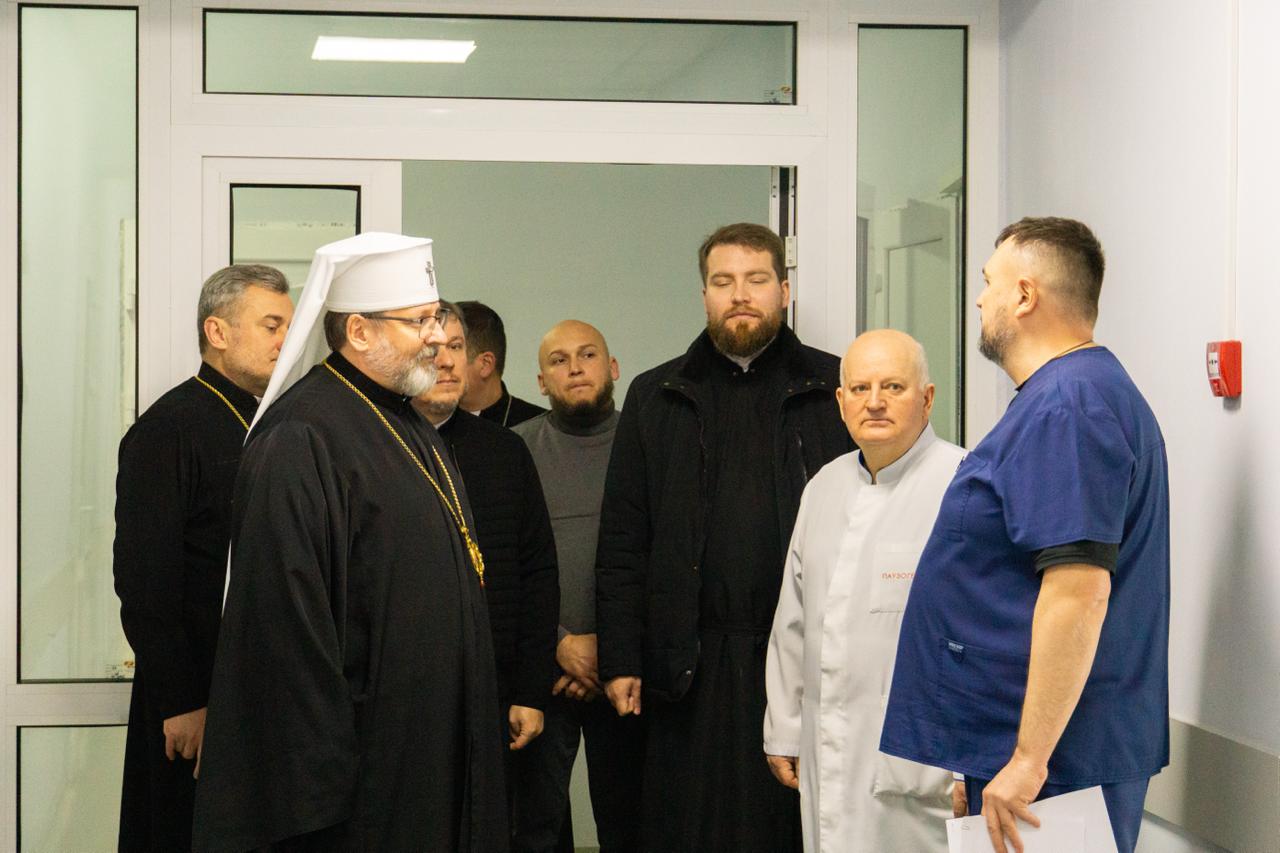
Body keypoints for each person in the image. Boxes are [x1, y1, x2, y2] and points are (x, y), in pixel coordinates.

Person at [191, 233, 507, 853]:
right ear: (359, 331)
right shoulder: (301, 435)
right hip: (365, 767)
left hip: (428, 741)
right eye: (419, 321)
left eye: (436, 319)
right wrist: (324, 780)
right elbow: (285, 629)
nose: (437, 337)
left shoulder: (406, 419)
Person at [880, 217, 1170, 853]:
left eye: (989, 282)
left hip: (1058, 766)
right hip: (1033, 752)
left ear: (1025, 295)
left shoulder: (1070, 405)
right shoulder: (1066, 396)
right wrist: (984, 757)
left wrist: (1027, 761)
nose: (980, 299)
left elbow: (1078, 591)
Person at [595, 223, 852, 853]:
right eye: (723, 281)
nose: (740, 295)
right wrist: (621, 657)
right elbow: (624, 539)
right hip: (688, 666)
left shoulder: (836, 389)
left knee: (792, 828)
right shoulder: (655, 395)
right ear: (704, 294)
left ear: (784, 290)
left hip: (801, 660)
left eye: (756, 280)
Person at [763, 329, 965, 853]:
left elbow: (985, 635)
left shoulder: (964, 483)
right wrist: (784, 728)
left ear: (927, 398)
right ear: (840, 400)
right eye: (859, 389)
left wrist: (973, 761)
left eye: (893, 387)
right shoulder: (823, 488)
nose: (874, 402)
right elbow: (793, 622)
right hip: (827, 754)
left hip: (924, 768)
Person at [113, 264, 292, 852]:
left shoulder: (271, 423)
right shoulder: (169, 429)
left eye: (289, 328)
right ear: (218, 332)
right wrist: (182, 700)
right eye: (271, 325)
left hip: (250, 689)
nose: (284, 341)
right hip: (193, 698)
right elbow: (146, 581)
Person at [412, 302, 559, 821]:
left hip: (496, 689)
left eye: (457, 347)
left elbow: (538, 574)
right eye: (434, 349)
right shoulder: (375, 446)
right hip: (408, 694)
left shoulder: (505, 450)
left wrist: (531, 691)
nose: (448, 360)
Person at [511, 321, 645, 853]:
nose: (575, 368)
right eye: (559, 360)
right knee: (535, 829)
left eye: (587, 355)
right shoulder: (515, 450)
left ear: (613, 368)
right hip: (543, 674)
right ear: (541, 382)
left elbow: (666, 561)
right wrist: (560, 645)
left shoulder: (648, 445)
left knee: (633, 825)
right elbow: (501, 565)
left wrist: (609, 648)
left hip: (631, 674)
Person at [456, 300, 546, 427]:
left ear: (485, 364)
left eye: (453, 348)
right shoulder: (429, 423)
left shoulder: (538, 429)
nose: (439, 363)